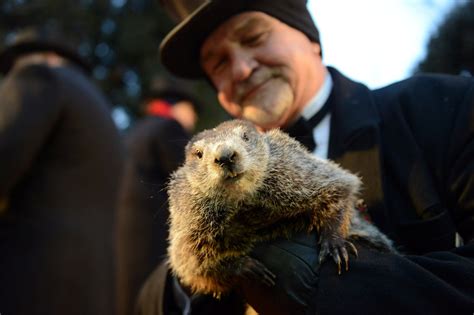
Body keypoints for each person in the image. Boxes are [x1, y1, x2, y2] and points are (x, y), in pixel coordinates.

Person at [136, 0, 474, 314]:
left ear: (310, 37)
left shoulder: (443, 107)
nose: (240, 69)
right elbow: (145, 302)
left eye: (253, 36)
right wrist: (206, 263)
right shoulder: (207, 168)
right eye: (219, 63)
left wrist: (331, 287)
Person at [0, 26, 124, 315]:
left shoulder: (39, 76)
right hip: (93, 289)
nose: (10, 78)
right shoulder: (98, 107)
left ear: (48, 57)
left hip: (29, 281)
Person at [116, 78, 200, 315]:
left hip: (123, 248)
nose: (193, 119)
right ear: (179, 107)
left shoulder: (134, 131)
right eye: (192, 111)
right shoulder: (169, 129)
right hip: (154, 247)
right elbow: (195, 183)